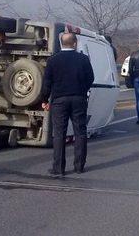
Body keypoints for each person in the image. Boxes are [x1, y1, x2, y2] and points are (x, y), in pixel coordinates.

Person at [41, 33, 94, 176]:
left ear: (61, 43)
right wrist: (82, 90)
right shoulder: (83, 59)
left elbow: (47, 83)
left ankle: (58, 168)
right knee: (80, 132)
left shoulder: (53, 60)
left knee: (59, 133)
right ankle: (79, 166)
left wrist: (44, 100)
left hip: (59, 100)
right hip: (79, 98)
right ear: (75, 43)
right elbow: (90, 78)